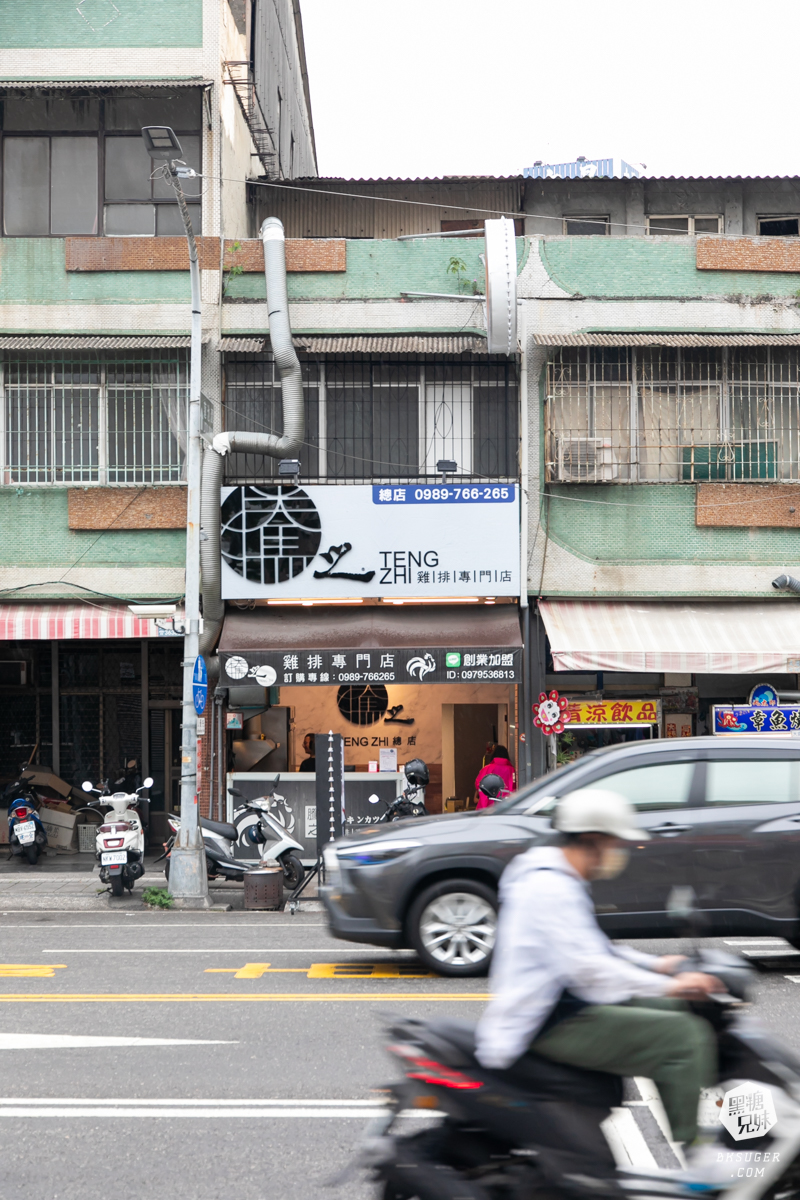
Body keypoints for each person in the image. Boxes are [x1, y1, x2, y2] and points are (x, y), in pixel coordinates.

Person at [475, 788, 722, 1166]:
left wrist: (657, 967)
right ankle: (699, 1158)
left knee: (677, 1006)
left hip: (567, 1000)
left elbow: (596, 950)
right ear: (592, 841)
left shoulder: (555, 877)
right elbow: (590, 969)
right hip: (550, 1019)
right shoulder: (551, 888)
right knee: (686, 1038)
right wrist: (671, 983)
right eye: (615, 843)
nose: (619, 852)